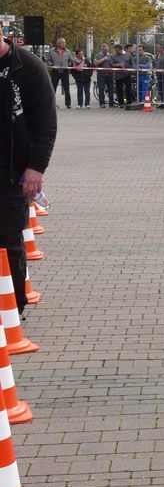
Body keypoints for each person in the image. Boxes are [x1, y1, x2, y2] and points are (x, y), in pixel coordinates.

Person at [0, 35, 57, 316]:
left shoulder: (27, 66)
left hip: (12, 170)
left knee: (9, 241)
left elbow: (46, 122)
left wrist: (36, 167)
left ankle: (13, 308)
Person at [48, 37, 73, 108]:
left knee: (67, 89)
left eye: (65, 42)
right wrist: (52, 65)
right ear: (58, 43)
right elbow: (48, 60)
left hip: (65, 72)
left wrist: (68, 65)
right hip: (55, 72)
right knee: (53, 88)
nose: (65, 44)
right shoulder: (52, 51)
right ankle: (52, 104)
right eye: (63, 42)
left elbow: (71, 60)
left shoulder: (67, 51)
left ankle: (68, 104)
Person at [93, 43, 115, 108]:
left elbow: (113, 64)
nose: (106, 51)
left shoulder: (111, 55)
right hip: (101, 75)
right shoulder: (97, 55)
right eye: (104, 50)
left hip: (110, 75)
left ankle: (111, 103)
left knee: (111, 90)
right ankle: (102, 103)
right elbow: (95, 63)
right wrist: (103, 59)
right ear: (101, 49)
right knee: (101, 89)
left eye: (106, 50)